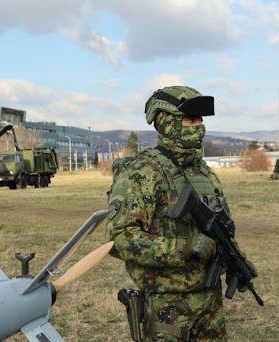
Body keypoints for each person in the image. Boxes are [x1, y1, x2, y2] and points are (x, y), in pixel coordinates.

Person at [105, 86, 256, 341]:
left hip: (210, 302)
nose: (198, 126)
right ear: (167, 123)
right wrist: (184, 248)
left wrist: (235, 261)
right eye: (190, 119)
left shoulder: (206, 173)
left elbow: (221, 228)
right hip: (168, 305)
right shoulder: (144, 172)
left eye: (200, 120)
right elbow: (119, 239)